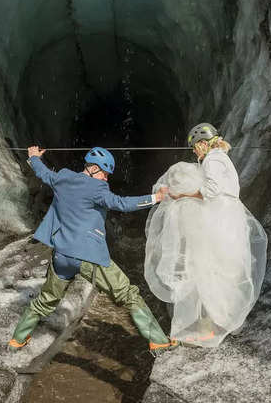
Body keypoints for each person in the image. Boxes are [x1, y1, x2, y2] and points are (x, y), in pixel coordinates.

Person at [9, 145, 178, 355]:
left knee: (46, 300)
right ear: (93, 169)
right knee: (129, 295)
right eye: (105, 174)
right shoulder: (97, 189)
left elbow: (43, 173)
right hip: (88, 256)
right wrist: (156, 198)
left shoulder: (62, 178)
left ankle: (17, 340)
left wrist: (33, 157)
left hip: (62, 255)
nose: (106, 179)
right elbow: (121, 203)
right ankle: (159, 342)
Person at [144, 123, 267, 347]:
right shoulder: (223, 158)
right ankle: (224, 321)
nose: (194, 151)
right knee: (225, 271)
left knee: (207, 271)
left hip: (218, 219)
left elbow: (211, 191)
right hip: (233, 218)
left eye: (194, 147)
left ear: (202, 143)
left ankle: (209, 328)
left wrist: (183, 195)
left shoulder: (211, 160)